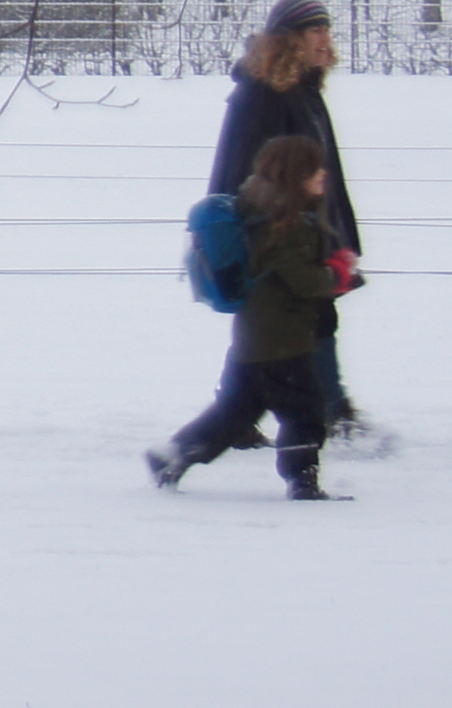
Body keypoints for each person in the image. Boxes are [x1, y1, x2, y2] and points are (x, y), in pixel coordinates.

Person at [210, 0, 379, 452]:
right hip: (279, 230)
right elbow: (247, 171)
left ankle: (237, 413)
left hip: (305, 226)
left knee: (284, 321)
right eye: (315, 31)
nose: (326, 39)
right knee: (303, 316)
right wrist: (275, 229)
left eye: (327, 30)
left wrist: (334, 231)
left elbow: (320, 171)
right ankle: (331, 410)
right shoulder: (263, 94)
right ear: (289, 39)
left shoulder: (302, 87)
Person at [146, 134, 343, 498]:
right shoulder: (288, 223)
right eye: (315, 169)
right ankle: (303, 481)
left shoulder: (257, 208)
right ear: (295, 174)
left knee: (235, 413)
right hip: (285, 341)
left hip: (253, 338)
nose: (323, 175)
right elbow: (303, 281)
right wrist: (336, 274)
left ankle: (173, 455)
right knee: (305, 412)